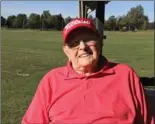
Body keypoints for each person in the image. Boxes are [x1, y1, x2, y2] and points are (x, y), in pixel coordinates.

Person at [21, 18, 154, 124]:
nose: (83, 47)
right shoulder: (51, 80)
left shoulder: (125, 75)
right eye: (74, 43)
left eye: (88, 39)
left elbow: (147, 121)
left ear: (100, 42)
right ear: (66, 51)